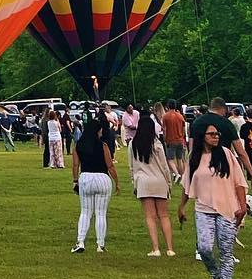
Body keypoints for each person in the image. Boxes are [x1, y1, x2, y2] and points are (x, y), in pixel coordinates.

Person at [178, 122, 247, 279]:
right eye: (211, 134)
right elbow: (187, 185)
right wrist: (182, 206)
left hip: (227, 209)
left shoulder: (226, 154)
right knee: (204, 248)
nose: (216, 136)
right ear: (202, 136)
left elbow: (238, 182)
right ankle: (215, 275)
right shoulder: (194, 157)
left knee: (226, 251)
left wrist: (242, 206)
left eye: (217, 134)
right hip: (203, 209)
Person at [71, 110, 119, 254]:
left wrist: (75, 181)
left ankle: (80, 242)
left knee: (85, 212)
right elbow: (110, 165)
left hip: (85, 177)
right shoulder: (103, 145)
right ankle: (100, 244)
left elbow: (75, 165)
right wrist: (117, 182)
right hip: (102, 179)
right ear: (97, 131)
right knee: (100, 213)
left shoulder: (79, 145)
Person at [129, 115, 176, 257]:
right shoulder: (157, 144)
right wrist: (169, 183)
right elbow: (164, 166)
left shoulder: (133, 144)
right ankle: (170, 248)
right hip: (159, 181)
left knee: (150, 216)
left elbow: (132, 167)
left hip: (143, 182)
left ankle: (155, 248)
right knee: (164, 215)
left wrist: (134, 183)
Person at [161, 102, 187, 173]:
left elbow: (164, 129)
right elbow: (183, 129)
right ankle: (182, 175)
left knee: (170, 159)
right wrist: (182, 138)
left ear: (168, 106)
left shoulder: (165, 116)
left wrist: (165, 139)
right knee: (179, 159)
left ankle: (176, 173)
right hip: (180, 140)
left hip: (170, 140)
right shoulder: (180, 116)